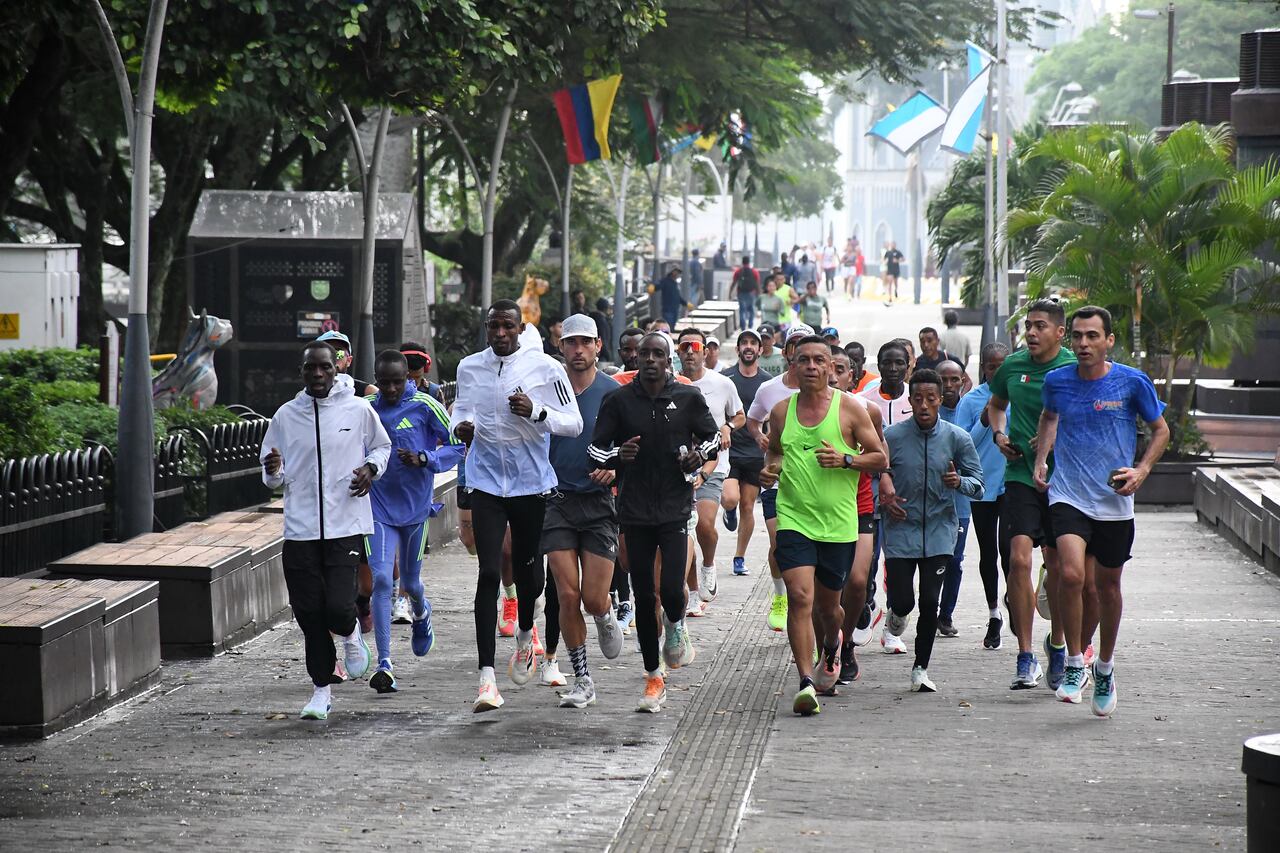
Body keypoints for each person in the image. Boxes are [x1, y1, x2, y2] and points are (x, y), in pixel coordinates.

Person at [1032, 306, 1168, 715]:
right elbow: (1049, 417)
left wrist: (1142, 470)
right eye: (1077, 336)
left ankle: (1104, 666)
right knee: (1071, 575)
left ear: (1109, 340)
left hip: (1113, 499)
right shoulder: (1057, 381)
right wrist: (1041, 459)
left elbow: (1161, 430)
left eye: (1092, 335)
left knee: (1106, 588)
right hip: (1068, 494)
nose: (1083, 343)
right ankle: (1075, 662)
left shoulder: (1132, 382)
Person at [450, 299, 583, 713]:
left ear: (521, 328)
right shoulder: (470, 367)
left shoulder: (545, 368)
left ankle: (526, 634)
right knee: (489, 572)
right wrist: (460, 427)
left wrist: (536, 411)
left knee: (531, 578)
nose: (501, 333)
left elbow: (573, 423)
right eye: (494, 326)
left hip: (531, 484)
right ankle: (486, 679)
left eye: (508, 326)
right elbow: (461, 410)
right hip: (486, 482)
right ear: (486, 328)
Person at [260, 341, 391, 720]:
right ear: (301, 372)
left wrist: (370, 469)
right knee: (308, 612)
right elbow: (272, 475)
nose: (317, 374)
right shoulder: (286, 416)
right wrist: (272, 469)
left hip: (345, 524)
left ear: (336, 370)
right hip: (300, 529)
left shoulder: (358, 409)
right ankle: (321, 690)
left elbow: (382, 447)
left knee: (337, 606)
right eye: (310, 368)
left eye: (324, 368)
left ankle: (350, 633)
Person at [589, 332, 720, 713]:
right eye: (644, 353)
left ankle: (676, 624)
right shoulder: (618, 401)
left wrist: (697, 456)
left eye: (657, 354)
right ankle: (652, 677)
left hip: (675, 507)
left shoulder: (688, 398)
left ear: (668, 360)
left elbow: (713, 439)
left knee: (673, 590)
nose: (649, 359)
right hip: (634, 510)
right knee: (645, 595)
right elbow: (595, 452)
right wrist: (619, 455)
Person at [759, 336, 886, 715]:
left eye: (819, 360)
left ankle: (832, 646)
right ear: (793, 366)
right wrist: (770, 470)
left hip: (838, 524)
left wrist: (846, 460)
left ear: (831, 367)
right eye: (804, 360)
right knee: (800, 597)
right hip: (794, 518)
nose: (811, 366)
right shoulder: (781, 411)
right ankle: (805, 681)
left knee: (831, 610)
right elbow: (775, 451)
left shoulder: (851, 410)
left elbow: (879, 458)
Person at [985, 298, 1077, 691]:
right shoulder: (1012, 365)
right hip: (1020, 475)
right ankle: (1025, 656)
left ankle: (1057, 644)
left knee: (1058, 567)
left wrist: (1055, 435)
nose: (1032, 332)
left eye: (1041, 326)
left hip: (1063, 480)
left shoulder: (1073, 367)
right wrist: (999, 434)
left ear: (1060, 332)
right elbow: (995, 405)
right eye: (1029, 326)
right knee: (1018, 560)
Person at [363, 350, 465, 693]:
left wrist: (425, 458)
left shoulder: (425, 405)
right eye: (384, 382)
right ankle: (384, 664)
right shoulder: (367, 409)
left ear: (408, 377)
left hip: (415, 511)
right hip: (377, 509)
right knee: (381, 579)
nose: (391, 389)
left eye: (397, 381)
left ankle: (422, 613)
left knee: (411, 582)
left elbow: (457, 446)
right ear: (376, 381)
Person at [878, 368, 984, 692]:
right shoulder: (892, 437)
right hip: (900, 529)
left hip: (940, 531)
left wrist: (959, 481)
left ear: (940, 400)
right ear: (910, 400)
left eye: (931, 399)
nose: (924, 405)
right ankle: (896, 616)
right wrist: (885, 497)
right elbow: (872, 474)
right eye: (918, 399)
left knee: (929, 602)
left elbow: (979, 485)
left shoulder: (957, 438)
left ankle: (920, 669)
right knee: (903, 600)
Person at [541, 315, 626, 709]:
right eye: (571, 342)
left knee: (592, 598)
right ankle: (582, 678)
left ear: (598, 346)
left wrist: (616, 469)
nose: (578, 350)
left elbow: (632, 446)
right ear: (560, 347)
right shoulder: (547, 389)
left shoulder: (614, 393)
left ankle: (605, 613)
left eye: (585, 342)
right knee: (566, 593)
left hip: (599, 503)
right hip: (556, 502)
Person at [746, 324, 816, 633]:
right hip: (777, 479)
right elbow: (752, 420)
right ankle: (779, 596)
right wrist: (760, 437)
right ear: (786, 351)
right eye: (794, 345)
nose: (799, 350)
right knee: (779, 542)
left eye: (805, 344)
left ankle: (809, 602)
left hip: (813, 483)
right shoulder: (769, 389)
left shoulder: (827, 392)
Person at [677, 328, 745, 615]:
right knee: (685, 533)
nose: (689, 352)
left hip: (714, 464)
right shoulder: (672, 383)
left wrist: (727, 427)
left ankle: (708, 564)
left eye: (695, 347)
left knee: (704, 525)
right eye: (684, 347)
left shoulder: (722, 384)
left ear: (705, 352)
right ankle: (692, 593)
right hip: (678, 467)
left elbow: (740, 415)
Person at [857, 341, 914, 652]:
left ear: (908, 365)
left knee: (900, 564)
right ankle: (867, 603)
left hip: (906, 495)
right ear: (877, 366)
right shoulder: (864, 401)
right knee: (867, 560)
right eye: (887, 363)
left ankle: (894, 627)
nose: (893, 369)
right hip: (872, 491)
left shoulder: (915, 399)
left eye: (899, 363)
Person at [954, 342, 1011, 650]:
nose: (997, 371)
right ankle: (993, 614)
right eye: (992, 366)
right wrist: (984, 419)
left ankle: (1014, 598)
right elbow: (962, 445)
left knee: (1011, 552)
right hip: (982, 486)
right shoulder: (971, 401)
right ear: (984, 369)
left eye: (1003, 365)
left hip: (1013, 484)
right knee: (989, 553)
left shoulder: (1020, 394)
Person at [721, 328, 770, 577]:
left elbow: (774, 414)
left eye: (753, 343)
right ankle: (729, 509)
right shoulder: (725, 378)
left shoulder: (767, 382)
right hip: (729, 449)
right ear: (738, 348)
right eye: (744, 343)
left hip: (754, 452)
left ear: (760, 350)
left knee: (748, 507)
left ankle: (739, 557)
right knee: (731, 498)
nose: (748, 346)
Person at [935, 360, 970, 638]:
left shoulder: (968, 410)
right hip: (930, 499)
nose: (948, 385)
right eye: (943, 379)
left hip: (960, 501)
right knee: (931, 560)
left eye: (954, 379)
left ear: (962, 381)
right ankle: (927, 608)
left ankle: (945, 615)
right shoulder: (928, 411)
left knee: (954, 560)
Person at [728, 256, 760, 329]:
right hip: (751, 293)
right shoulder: (754, 271)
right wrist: (758, 294)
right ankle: (750, 325)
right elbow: (757, 284)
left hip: (741, 293)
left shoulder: (738, 271)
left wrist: (730, 293)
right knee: (751, 309)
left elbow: (734, 283)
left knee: (742, 310)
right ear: (749, 262)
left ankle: (743, 327)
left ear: (742, 262)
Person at [656, 266, 685, 331]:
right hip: (667, 310)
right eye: (676, 272)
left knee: (672, 327)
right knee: (667, 327)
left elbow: (677, 297)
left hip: (675, 309)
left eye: (678, 273)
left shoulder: (675, 283)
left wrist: (685, 303)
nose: (677, 274)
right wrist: (653, 286)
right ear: (672, 272)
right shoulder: (665, 281)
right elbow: (657, 286)